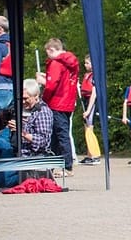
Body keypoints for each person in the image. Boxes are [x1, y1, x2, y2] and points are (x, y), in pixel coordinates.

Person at [37, 37, 79, 173]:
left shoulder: (56, 63)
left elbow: (51, 85)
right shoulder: (71, 62)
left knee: (60, 134)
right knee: (57, 133)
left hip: (57, 103)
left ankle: (66, 165)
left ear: (51, 50)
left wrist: (42, 85)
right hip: (68, 102)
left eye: (47, 52)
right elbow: (61, 81)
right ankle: (53, 163)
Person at [5, 79, 52, 184]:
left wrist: (21, 131)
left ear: (36, 96)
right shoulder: (19, 108)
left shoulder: (43, 112)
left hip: (33, 156)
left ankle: (31, 180)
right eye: (21, 98)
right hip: (17, 151)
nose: (22, 101)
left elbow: (42, 141)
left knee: (4, 180)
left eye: (26, 98)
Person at [78, 54, 101, 164]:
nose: (85, 65)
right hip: (85, 101)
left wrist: (88, 110)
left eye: (87, 63)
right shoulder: (87, 75)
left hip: (91, 104)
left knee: (90, 128)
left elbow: (94, 94)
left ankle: (94, 155)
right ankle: (89, 154)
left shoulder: (95, 76)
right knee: (86, 128)